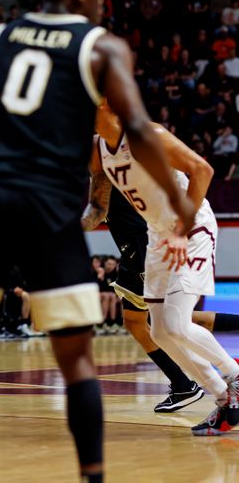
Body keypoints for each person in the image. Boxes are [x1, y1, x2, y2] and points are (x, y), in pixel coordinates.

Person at [0, 0, 196, 483]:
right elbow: (138, 127)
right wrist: (179, 199)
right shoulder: (99, 46)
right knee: (76, 364)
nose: (100, 0)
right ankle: (92, 475)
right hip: (48, 209)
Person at [90, 104, 239, 435]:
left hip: (191, 229)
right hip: (158, 236)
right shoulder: (97, 149)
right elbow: (98, 206)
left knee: (176, 323)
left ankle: (234, 377)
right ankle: (223, 400)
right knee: (158, 331)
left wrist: (179, 230)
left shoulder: (146, 135)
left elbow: (203, 171)